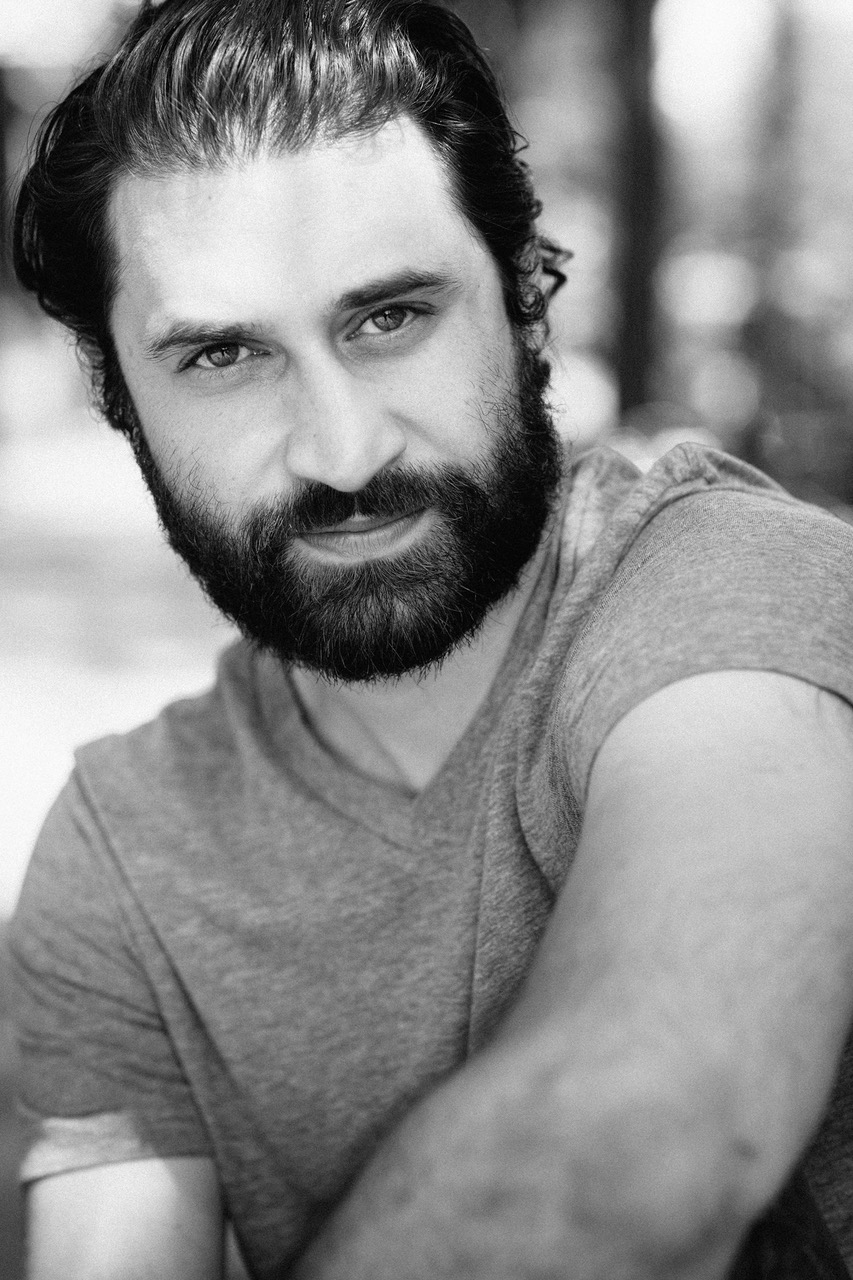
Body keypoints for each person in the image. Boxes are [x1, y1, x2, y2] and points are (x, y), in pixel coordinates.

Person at [7, 1, 853, 1277]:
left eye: (390, 317)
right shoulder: (125, 846)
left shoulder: (735, 590)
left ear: (524, 303)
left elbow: (637, 1143)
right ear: (122, 401)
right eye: (224, 354)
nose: (343, 451)